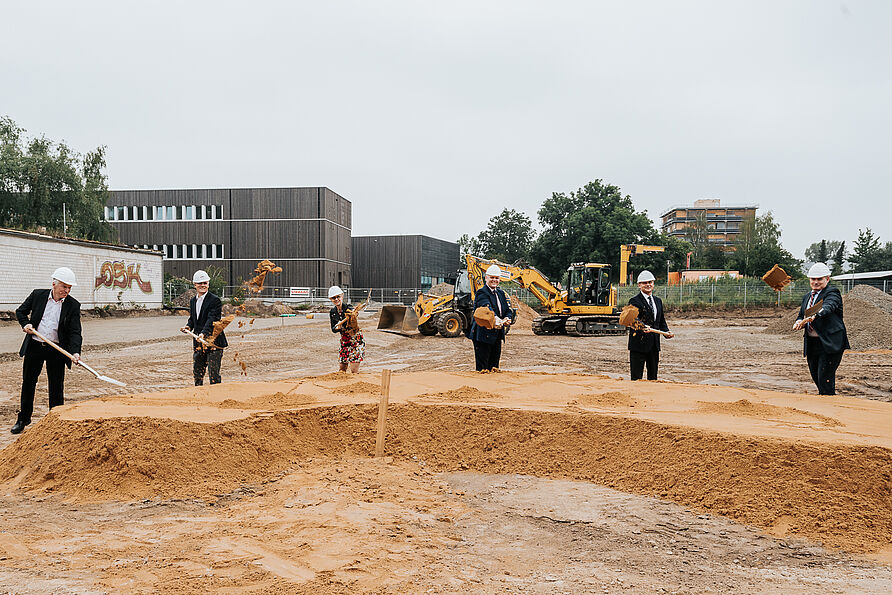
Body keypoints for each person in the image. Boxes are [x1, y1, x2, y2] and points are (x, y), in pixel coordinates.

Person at [12, 267, 83, 434]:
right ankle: (23, 419)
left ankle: (56, 419)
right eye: (64, 287)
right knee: (29, 382)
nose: (67, 290)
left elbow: (75, 332)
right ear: (54, 284)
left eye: (69, 288)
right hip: (35, 346)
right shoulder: (37, 295)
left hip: (57, 349)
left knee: (56, 385)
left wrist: (75, 352)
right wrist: (26, 324)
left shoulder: (73, 305)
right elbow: (20, 312)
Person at [792, 262, 849, 395]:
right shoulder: (807, 297)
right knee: (817, 378)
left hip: (829, 343)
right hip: (813, 344)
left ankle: (829, 405)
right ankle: (825, 399)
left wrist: (815, 316)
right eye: (813, 279)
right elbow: (802, 314)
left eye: (819, 279)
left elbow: (829, 306)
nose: (816, 282)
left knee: (825, 379)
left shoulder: (832, 293)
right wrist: (799, 321)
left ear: (827, 279)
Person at [180, 270, 227, 385]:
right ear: (195, 284)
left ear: (208, 284)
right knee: (198, 372)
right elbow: (193, 318)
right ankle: (199, 397)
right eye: (200, 283)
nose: (202, 285)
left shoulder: (214, 300)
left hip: (213, 342)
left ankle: (216, 398)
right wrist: (188, 326)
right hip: (198, 342)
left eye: (205, 283)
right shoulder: (193, 301)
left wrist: (203, 333)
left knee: (213, 374)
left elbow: (212, 319)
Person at [468, 264, 516, 372]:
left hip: (497, 335)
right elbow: (487, 310)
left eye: (497, 278)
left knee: (495, 367)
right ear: (486, 278)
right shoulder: (481, 293)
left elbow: (508, 310)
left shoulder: (501, 293)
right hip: (483, 335)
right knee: (483, 368)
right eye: (492, 277)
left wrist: (507, 318)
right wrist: (497, 319)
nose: (494, 280)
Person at [627, 270, 673, 380]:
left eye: (650, 282)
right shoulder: (634, 301)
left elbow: (661, 321)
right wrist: (642, 326)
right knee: (636, 378)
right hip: (638, 345)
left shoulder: (658, 301)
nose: (648, 285)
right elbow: (632, 319)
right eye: (644, 282)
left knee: (653, 378)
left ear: (653, 284)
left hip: (654, 345)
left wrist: (666, 332)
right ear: (639, 285)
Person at [329, 285, 364, 373]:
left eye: (338, 297)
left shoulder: (348, 308)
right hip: (344, 340)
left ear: (342, 296)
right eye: (333, 298)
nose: (336, 299)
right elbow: (333, 329)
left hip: (355, 339)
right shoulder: (333, 312)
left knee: (354, 370)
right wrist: (338, 328)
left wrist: (353, 315)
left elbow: (354, 314)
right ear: (331, 299)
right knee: (342, 369)